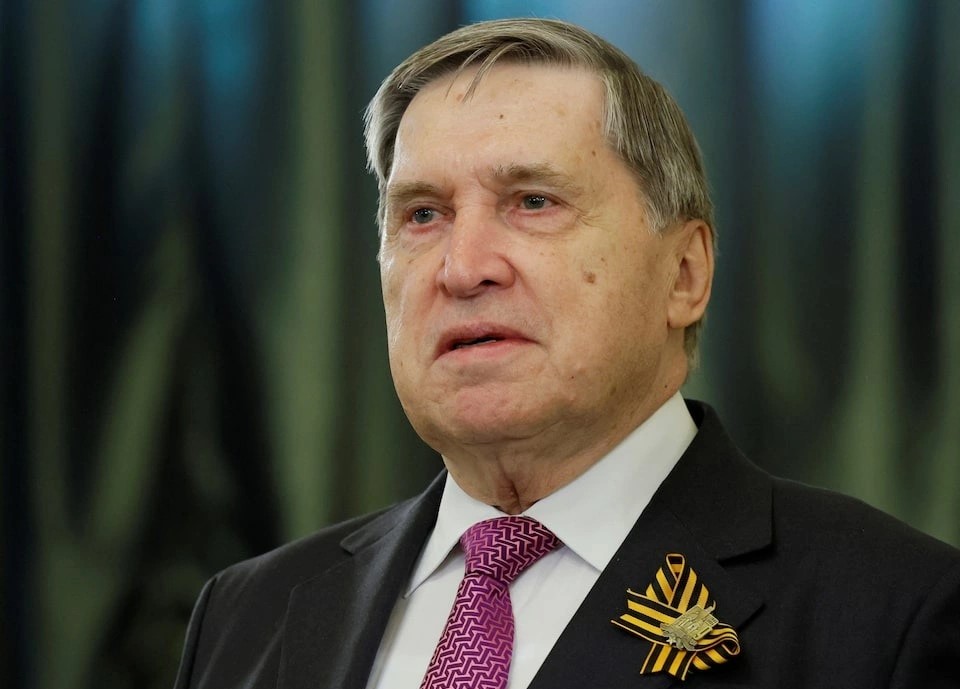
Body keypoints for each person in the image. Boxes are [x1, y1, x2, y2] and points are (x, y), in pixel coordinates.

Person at [173, 18, 960, 689]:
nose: (462, 267)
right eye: (422, 215)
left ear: (684, 274)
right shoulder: (245, 616)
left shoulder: (892, 614)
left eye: (533, 202)